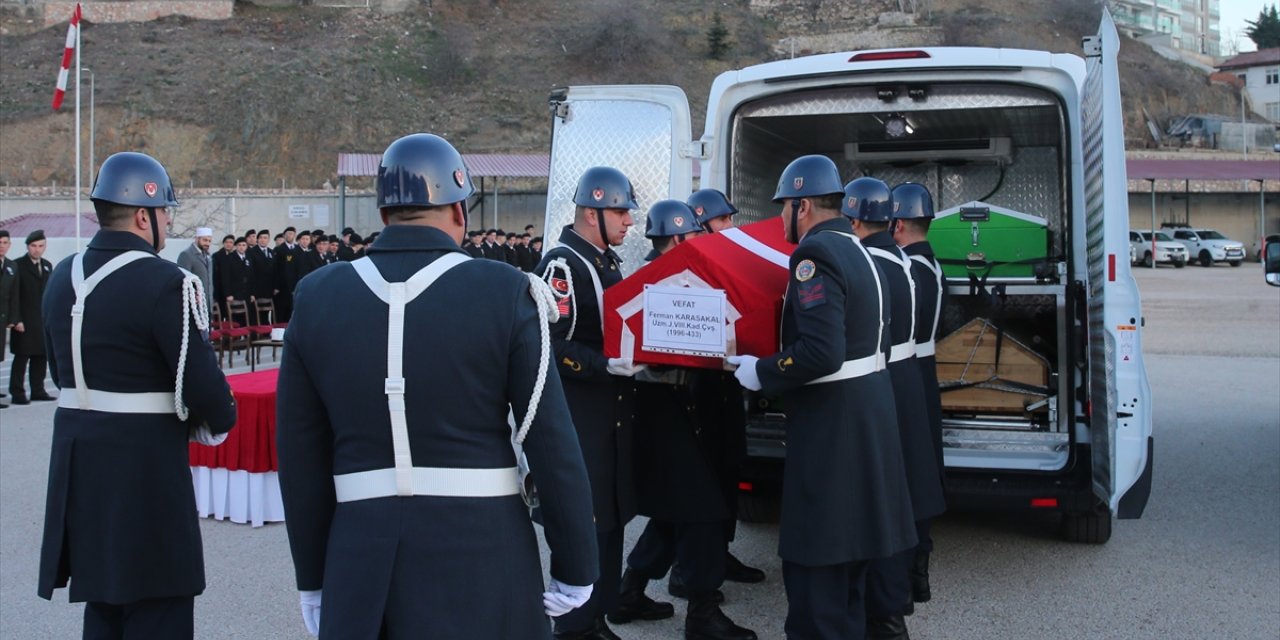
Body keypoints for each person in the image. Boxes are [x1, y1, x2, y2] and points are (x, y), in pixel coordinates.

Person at [277, 133, 599, 639]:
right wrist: (575, 565)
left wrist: (313, 579)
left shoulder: (317, 297)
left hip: (361, 561)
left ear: (384, 213)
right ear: (459, 211)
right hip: (485, 557)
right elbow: (550, 441)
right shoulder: (506, 291)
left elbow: (301, 456)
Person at [37, 151, 237, 639]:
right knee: (159, 609)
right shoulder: (167, 282)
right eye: (166, 211)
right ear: (144, 214)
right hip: (145, 475)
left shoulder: (62, 276)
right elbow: (208, 395)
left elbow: (60, 368)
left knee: (104, 607)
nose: (169, 221)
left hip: (82, 472)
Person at [724, 155, 916, 640]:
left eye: (784, 207)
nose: (781, 218)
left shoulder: (815, 257)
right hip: (866, 427)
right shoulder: (864, 251)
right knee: (847, 578)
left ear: (802, 205)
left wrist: (762, 372)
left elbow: (822, 353)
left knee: (816, 587)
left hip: (834, 438)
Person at [617, 200, 758, 640]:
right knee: (700, 509)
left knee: (675, 509)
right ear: (679, 238)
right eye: (696, 233)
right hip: (665, 409)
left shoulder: (655, 280)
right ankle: (702, 612)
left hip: (679, 407)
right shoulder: (662, 283)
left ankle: (628, 592)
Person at [534, 166, 647, 640]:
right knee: (587, 523)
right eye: (620, 211)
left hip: (610, 415)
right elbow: (550, 344)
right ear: (590, 211)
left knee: (610, 519)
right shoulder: (563, 264)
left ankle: (596, 617)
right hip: (581, 417)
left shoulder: (604, 259)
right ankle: (576, 626)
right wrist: (605, 366)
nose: (628, 222)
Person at [844, 177, 945, 640]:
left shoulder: (889, 265)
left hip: (895, 370)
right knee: (917, 481)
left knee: (894, 487)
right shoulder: (923, 266)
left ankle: (890, 595)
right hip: (919, 370)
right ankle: (910, 581)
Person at [678, 187, 767, 595]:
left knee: (730, 470)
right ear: (701, 223)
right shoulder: (685, 269)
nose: (731, 225)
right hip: (700, 393)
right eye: (723, 220)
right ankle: (683, 572)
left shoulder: (721, 263)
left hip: (726, 386)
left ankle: (718, 554)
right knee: (703, 487)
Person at [890, 182, 947, 610]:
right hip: (924, 371)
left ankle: (909, 574)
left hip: (906, 369)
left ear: (898, 223)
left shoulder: (909, 269)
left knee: (906, 476)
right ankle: (918, 573)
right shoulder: (930, 264)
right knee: (922, 472)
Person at [9, 229, 54, 404]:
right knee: (22, 357)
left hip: (41, 320)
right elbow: (14, 295)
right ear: (28, 247)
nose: (37, 249)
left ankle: (38, 390)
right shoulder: (17, 265)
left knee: (41, 356)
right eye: (33, 246)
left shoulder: (47, 265)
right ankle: (17, 392)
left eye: (40, 246)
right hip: (24, 319)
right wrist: (16, 319)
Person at [176, 227, 215, 313]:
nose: (207, 243)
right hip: (194, 305)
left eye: (209, 241)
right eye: (205, 240)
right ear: (197, 239)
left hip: (207, 303)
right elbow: (183, 280)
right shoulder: (186, 255)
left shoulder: (208, 256)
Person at [0, 229, 17, 408]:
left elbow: (14, 295)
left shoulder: (10, 266)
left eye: (5, 243)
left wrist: (13, 317)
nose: (2, 246)